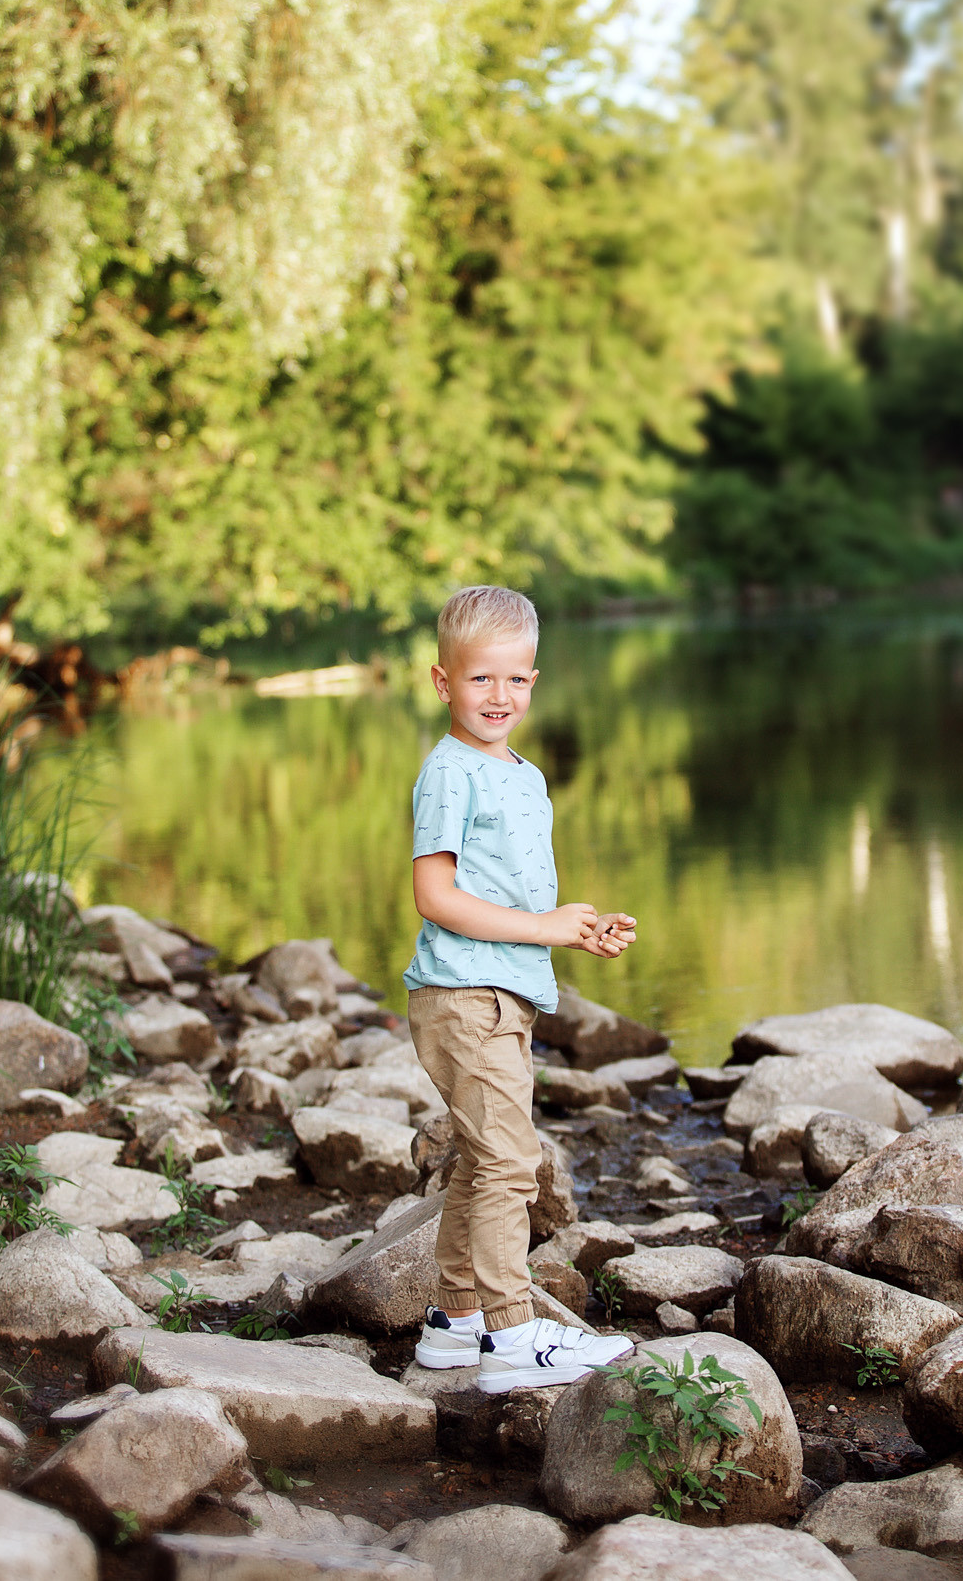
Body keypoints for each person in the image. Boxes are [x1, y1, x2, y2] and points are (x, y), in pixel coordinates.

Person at [404, 584, 640, 1392]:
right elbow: (435, 896)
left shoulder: (523, 775)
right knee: (511, 1161)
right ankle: (511, 1334)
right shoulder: (449, 772)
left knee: (482, 1159)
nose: (498, 695)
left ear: (534, 681)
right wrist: (543, 926)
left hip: (504, 994)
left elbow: (510, 890)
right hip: (462, 996)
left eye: (514, 678)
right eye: (480, 678)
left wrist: (575, 929)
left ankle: (454, 1321)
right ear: (443, 682)